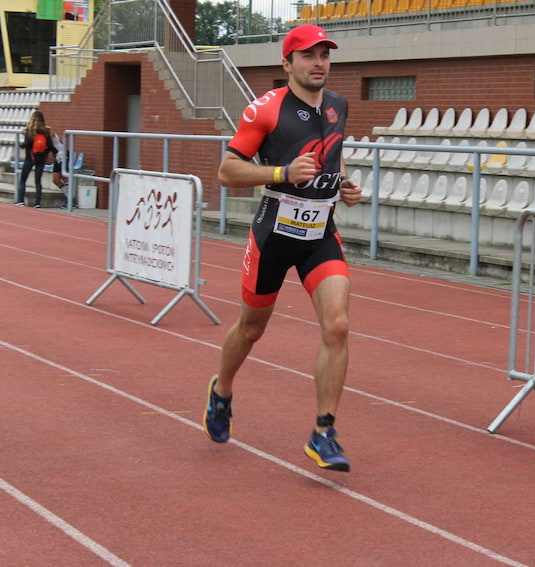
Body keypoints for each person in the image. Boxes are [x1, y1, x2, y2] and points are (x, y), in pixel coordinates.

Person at [203, 24, 363, 472]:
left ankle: (323, 432)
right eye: (309, 56)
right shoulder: (265, 111)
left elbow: (332, 153)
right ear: (287, 64)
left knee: (339, 325)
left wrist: (345, 183)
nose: (319, 64)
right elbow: (227, 171)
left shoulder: (338, 105)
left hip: (319, 235)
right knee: (251, 329)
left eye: (325, 56)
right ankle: (222, 392)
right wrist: (281, 173)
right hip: (274, 235)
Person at [15, 110, 58, 208]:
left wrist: (23, 138)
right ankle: (37, 202)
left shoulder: (30, 130)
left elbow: (27, 144)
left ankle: (20, 200)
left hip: (30, 157)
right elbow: (50, 146)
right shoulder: (46, 131)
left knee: (23, 179)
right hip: (41, 158)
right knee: (38, 181)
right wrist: (45, 154)